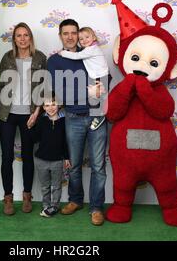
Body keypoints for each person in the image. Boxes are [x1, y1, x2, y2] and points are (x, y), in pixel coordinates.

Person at [47, 19, 108, 226]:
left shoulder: (90, 52)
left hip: (96, 116)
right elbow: (61, 92)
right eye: (66, 33)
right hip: (72, 118)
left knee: (98, 166)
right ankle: (75, 200)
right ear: (60, 36)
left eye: (74, 33)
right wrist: (87, 91)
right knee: (73, 165)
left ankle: (97, 207)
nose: (71, 37)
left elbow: (104, 81)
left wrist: (95, 90)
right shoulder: (55, 61)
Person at [0, 22, 47, 215]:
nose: (23, 39)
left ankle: (27, 196)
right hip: (7, 114)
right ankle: (8, 198)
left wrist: (36, 112)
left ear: (30, 38)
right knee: (6, 156)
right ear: (14, 39)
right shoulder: (7, 58)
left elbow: (43, 87)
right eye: (19, 35)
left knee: (27, 156)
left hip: (29, 115)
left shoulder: (40, 58)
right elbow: (0, 85)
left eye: (26, 35)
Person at [59, 27, 109, 130]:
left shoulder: (91, 49)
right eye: (81, 39)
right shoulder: (90, 49)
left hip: (101, 77)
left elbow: (77, 56)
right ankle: (100, 114)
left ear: (94, 37)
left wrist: (63, 53)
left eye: (87, 37)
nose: (84, 40)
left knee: (96, 97)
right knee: (96, 97)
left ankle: (99, 116)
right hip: (100, 76)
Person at [31, 93, 71, 218]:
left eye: (53, 104)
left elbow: (65, 142)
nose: (51, 108)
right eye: (47, 105)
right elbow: (34, 139)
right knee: (45, 186)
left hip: (57, 161)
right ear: (43, 107)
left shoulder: (64, 122)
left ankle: (54, 206)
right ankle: (46, 205)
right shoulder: (41, 121)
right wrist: (30, 126)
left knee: (56, 186)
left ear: (59, 105)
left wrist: (66, 157)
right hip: (41, 160)